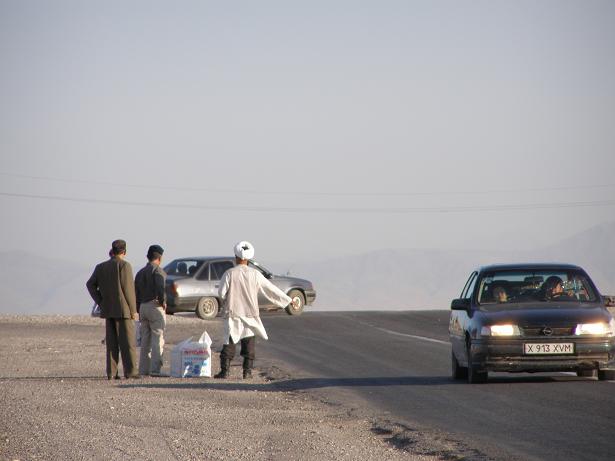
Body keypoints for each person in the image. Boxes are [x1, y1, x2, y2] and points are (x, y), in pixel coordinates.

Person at [214, 241, 298, 379]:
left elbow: (221, 293)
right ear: (248, 259)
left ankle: (225, 372)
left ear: (236, 257)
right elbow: (271, 290)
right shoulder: (256, 274)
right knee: (249, 344)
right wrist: (289, 301)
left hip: (233, 313)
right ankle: (247, 373)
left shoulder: (229, 273)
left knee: (229, 342)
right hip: (250, 314)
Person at [86, 239, 140, 380]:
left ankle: (111, 373)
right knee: (128, 343)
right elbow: (128, 289)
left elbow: (90, 284)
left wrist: (100, 301)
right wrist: (134, 310)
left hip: (108, 309)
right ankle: (131, 372)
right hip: (124, 311)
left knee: (112, 344)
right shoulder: (125, 266)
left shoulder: (101, 267)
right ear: (124, 252)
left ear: (113, 250)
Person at [135, 244, 167, 377]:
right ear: (159, 258)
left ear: (148, 257)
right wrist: (163, 302)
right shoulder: (158, 271)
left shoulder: (140, 272)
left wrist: (138, 308)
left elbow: (135, 292)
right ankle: (155, 370)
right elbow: (160, 288)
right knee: (157, 338)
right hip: (154, 306)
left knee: (145, 340)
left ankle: (143, 370)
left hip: (142, 307)